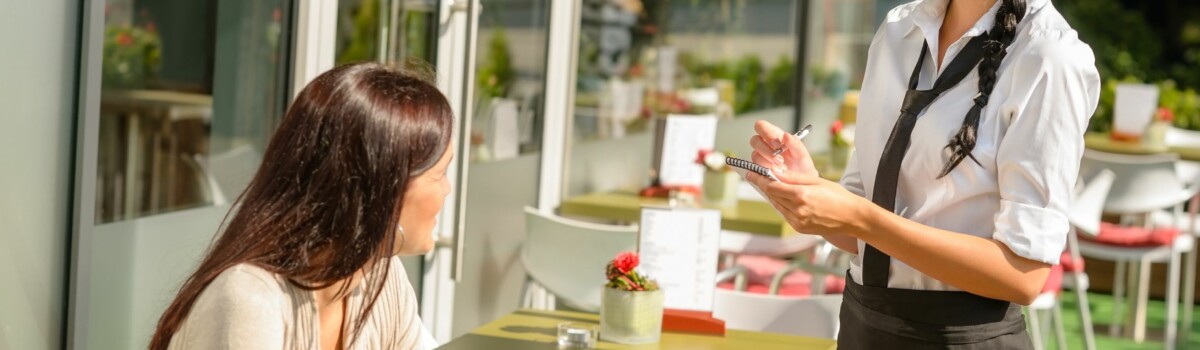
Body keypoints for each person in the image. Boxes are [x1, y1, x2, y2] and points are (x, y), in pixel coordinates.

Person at [745, 0, 1099, 348]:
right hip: (863, 326)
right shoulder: (899, 28)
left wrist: (859, 217)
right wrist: (810, 191)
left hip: (959, 338)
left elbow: (1023, 275)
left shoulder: (1050, 57)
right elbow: (861, 238)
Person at [149, 62, 454, 350]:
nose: (448, 189)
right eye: (439, 174)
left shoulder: (380, 278)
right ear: (385, 188)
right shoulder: (250, 299)